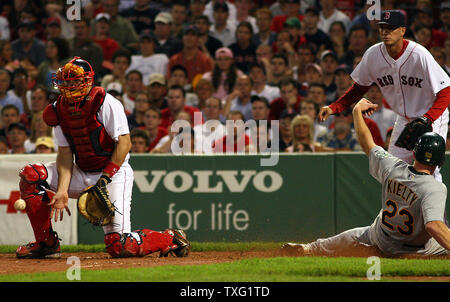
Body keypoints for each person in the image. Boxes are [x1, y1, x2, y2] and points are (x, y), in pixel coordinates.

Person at [15, 57, 190, 259]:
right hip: (81, 171)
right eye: (66, 81)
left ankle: (170, 238)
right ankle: (46, 243)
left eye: (74, 81)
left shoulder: (105, 102)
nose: (69, 86)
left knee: (120, 246)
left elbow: (124, 143)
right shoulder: (59, 109)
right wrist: (62, 190)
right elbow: (64, 154)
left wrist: (105, 178)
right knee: (31, 175)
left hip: (113, 173)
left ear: (88, 81)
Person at [283, 99, 450, 257]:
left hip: (382, 239)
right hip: (415, 250)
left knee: (355, 235)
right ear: (439, 161)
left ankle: (309, 248)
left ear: (414, 153)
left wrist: (357, 112)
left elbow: (367, 143)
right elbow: (433, 225)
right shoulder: (434, 188)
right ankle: (397, 256)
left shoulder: (392, 167)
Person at [319, 10, 450, 181]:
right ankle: (400, 208)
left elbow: (445, 91)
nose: (385, 32)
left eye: (391, 28)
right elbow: (359, 86)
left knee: (428, 169)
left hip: (431, 116)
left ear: (402, 30)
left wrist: (428, 119)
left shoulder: (419, 55)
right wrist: (334, 107)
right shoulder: (373, 55)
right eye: (382, 28)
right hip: (404, 119)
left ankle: (434, 208)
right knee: (393, 171)